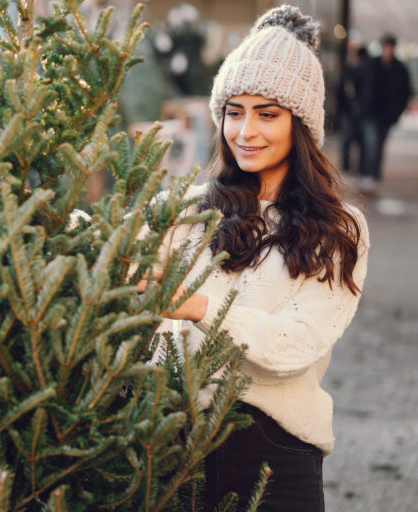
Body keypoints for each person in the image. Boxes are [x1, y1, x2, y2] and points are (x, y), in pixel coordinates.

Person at [142, 5, 370, 511]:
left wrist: (197, 306)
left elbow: (296, 345)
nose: (246, 131)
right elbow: (102, 250)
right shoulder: (181, 209)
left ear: (302, 125)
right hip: (172, 444)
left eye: (267, 114)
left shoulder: (338, 229)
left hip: (277, 457)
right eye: (233, 111)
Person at [358, 34, 413, 194]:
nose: (387, 50)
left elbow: (406, 92)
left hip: (387, 116)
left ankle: (373, 176)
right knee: (370, 144)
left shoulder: (400, 69)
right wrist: (360, 104)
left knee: (379, 145)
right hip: (370, 113)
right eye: (385, 47)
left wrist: (397, 111)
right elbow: (359, 81)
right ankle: (368, 175)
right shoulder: (371, 65)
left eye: (390, 47)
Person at [337, 45, 368, 177]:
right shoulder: (350, 71)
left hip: (358, 113)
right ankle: (347, 168)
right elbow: (341, 91)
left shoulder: (365, 72)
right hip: (348, 112)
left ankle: (356, 169)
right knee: (348, 140)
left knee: (359, 141)